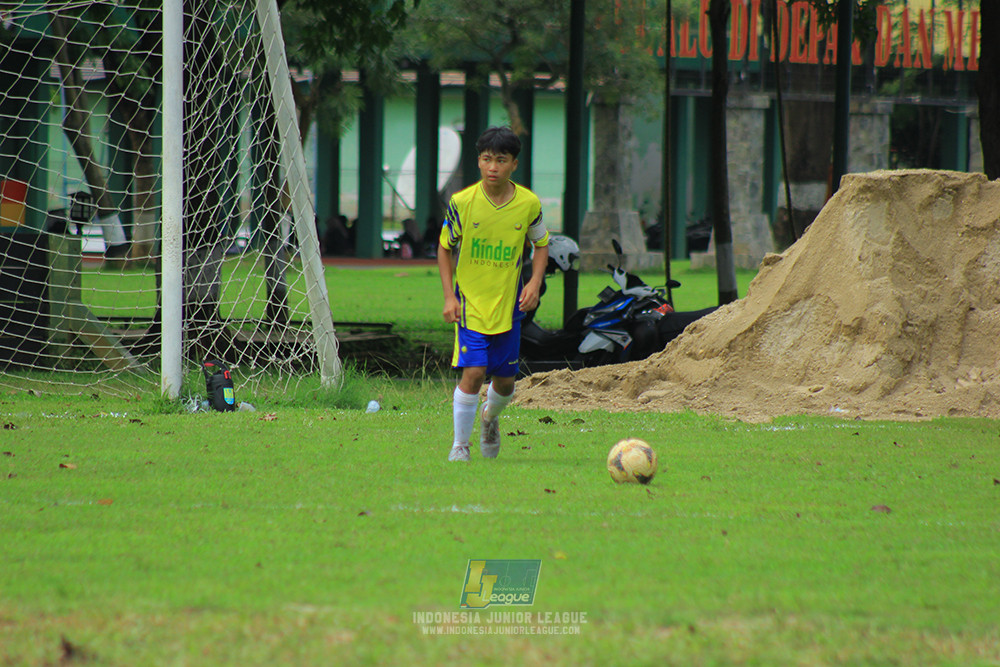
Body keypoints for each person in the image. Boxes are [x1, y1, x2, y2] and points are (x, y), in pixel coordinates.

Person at [437, 126, 549, 462]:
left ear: (514, 163)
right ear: (478, 162)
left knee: (505, 383)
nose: (493, 167)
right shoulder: (462, 202)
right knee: (473, 372)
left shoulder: (528, 204)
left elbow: (542, 245)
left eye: (501, 160)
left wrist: (533, 284)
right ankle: (460, 445)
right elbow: (444, 249)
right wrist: (449, 296)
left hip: (509, 306)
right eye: (486, 159)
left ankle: (490, 418)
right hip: (471, 303)